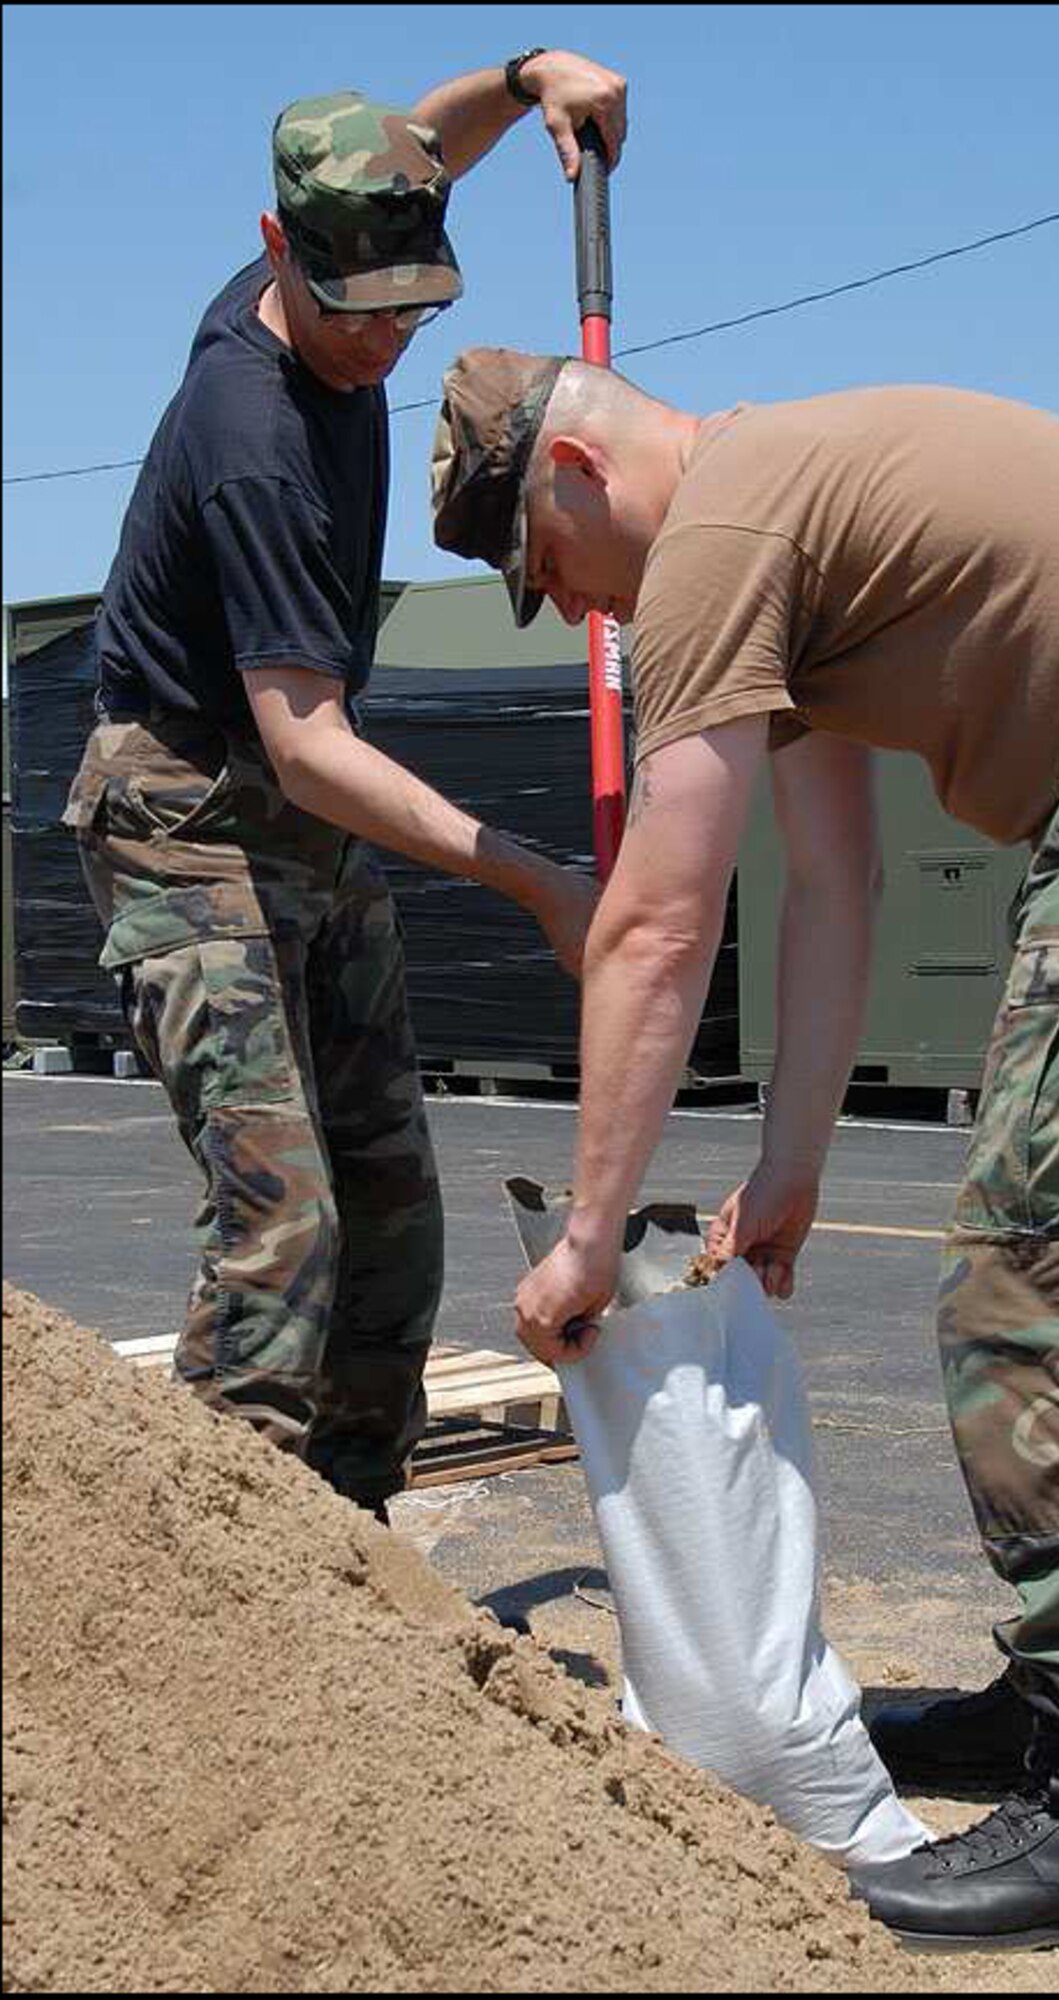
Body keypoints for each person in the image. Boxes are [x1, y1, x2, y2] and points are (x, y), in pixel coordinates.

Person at [429, 347, 1059, 1949]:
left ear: (575, 475)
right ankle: (1050, 1710)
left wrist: (588, 1233)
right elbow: (832, 885)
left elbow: (660, 920)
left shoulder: (716, 537)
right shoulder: (775, 524)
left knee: (1041, 1290)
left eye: (555, 573)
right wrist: (789, 1168)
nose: (586, 611)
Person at [62, 51, 626, 1525]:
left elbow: (415, 152)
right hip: (183, 811)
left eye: (412, 310)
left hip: (294, 808)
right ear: (276, 257)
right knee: (284, 1228)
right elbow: (309, 744)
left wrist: (525, 78)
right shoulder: (249, 440)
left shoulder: (337, 256)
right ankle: (218, 1582)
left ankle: (352, 1559)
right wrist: (537, 876)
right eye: (356, 315)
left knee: (392, 1217)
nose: (385, 345)